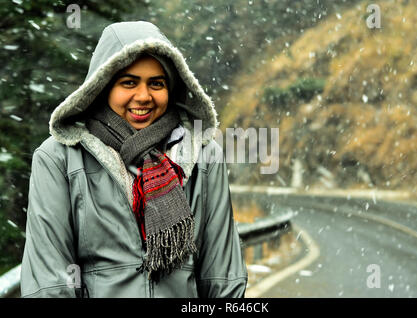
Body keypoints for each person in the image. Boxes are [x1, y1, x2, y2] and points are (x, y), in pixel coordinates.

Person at [20, 21, 248, 298]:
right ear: (103, 86)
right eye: (128, 82)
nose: (143, 96)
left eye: (156, 83)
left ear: (171, 88)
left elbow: (222, 274)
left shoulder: (205, 155)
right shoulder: (59, 157)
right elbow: (50, 282)